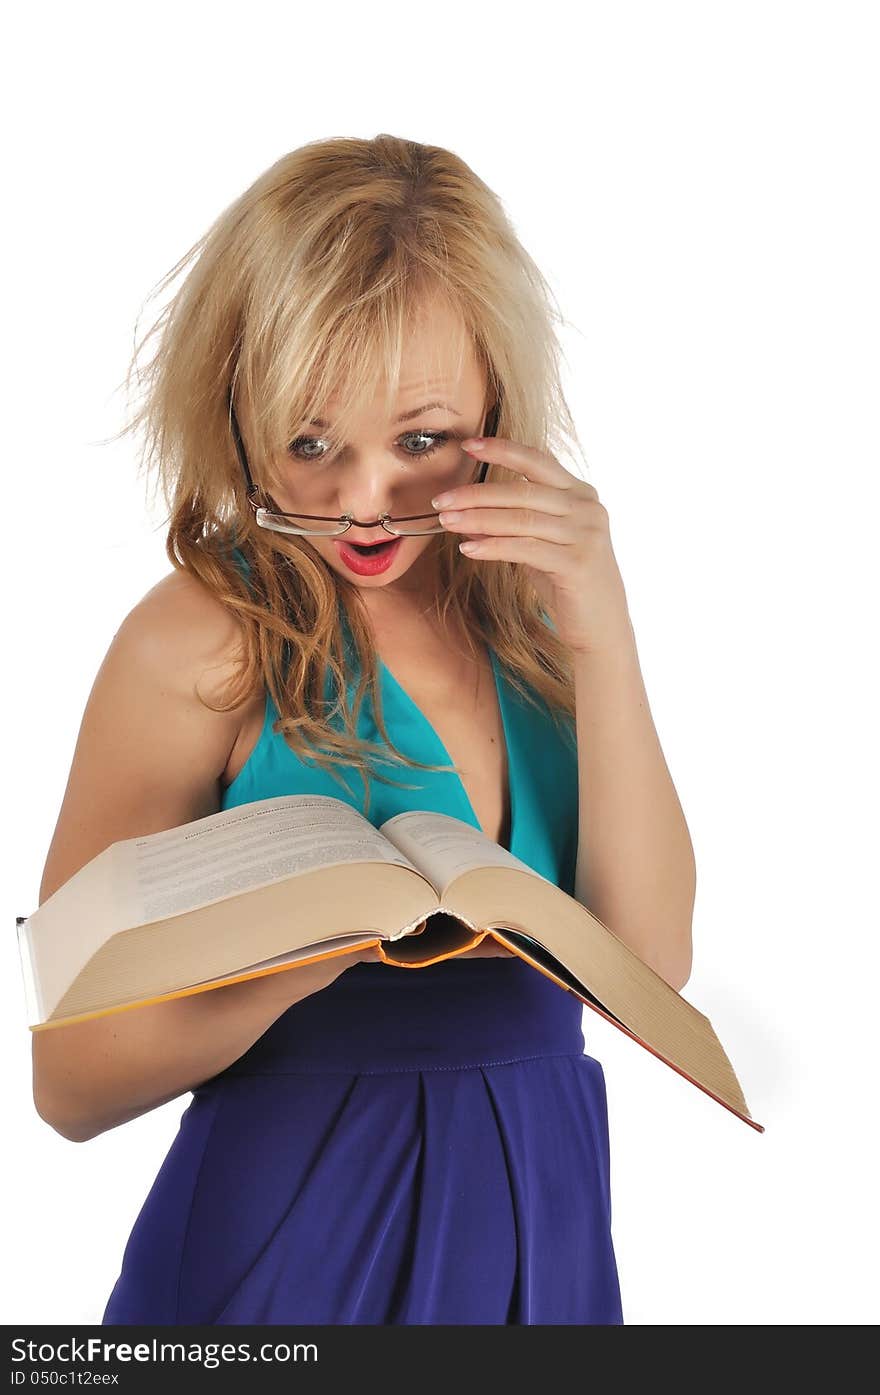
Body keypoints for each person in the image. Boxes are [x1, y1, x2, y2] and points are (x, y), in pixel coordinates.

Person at [32, 134, 694, 1325]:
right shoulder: (201, 642)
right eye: (309, 444)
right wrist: (309, 957)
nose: (363, 500)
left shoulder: (543, 622)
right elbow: (68, 1082)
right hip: (283, 1242)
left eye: (422, 442)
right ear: (236, 409)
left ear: (496, 398)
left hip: (540, 1222)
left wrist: (607, 632)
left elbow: (647, 976)